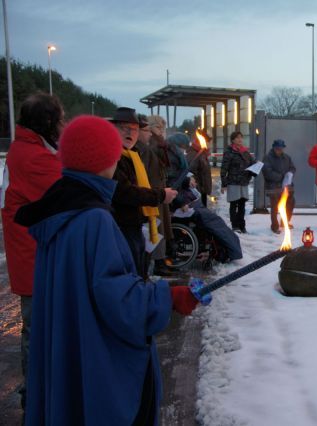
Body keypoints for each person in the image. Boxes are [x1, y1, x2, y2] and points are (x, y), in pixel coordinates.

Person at [14, 115, 205, 425]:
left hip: (70, 351)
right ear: (106, 159)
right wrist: (167, 297)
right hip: (94, 362)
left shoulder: (59, 208)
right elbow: (118, 300)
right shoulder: (95, 219)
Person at [1, 92, 63, 411]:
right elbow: (68, 189)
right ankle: (35, 391)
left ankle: (36, 387)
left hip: (31, 253)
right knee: (37, 328)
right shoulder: (35, 157)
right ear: (48, 122)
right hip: (35, 257)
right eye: (59, 120)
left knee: (36, 326)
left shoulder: (24, 148)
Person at [110, 107, 177, 277]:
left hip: (136, 221)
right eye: (124, 128)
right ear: (114, 128)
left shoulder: (131, 155)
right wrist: (160, 195)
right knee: (132, 273)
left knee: (140, 269)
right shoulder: (114, 157)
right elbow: (125, 192)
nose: (130, 133)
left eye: (134, 128)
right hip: (121, 226)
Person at [136, 114, 174, 276]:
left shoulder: (154, 145)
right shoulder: (150, 146)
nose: (160, 132)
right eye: (158, 127)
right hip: (153, 193)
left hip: (158, 191)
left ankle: (160, 260)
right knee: (156, 228)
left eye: (162, 128)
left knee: (160, 227)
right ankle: (158, 262)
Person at [172, 174, 243, 261]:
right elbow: (173, 183)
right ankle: (229, 249)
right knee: (213, 223)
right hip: (188, 205)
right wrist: (187, 181)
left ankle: (228, 248)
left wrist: (188, 180)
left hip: (192, 203)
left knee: (216, 222)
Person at [220, 131, 256, 233]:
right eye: (237, 138)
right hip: (233, 182)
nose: (240, 139)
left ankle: (242, 225)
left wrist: (257, 165)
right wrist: (224, 184)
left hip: (244, 182)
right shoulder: (229, 152)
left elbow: (252, 164)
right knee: (233, 204)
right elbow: (224, 168)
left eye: (241, 137)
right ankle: (234, 226)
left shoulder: (246, 152)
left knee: (242, 205)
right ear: (233, 140)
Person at [262, 139, 296, 234]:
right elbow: (267, 172)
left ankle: (285, 222)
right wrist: (281, 176)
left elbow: (293, 168)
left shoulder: (287, 157)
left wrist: (290, 173)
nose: (280, 150)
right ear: (274, 148)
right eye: (278, 148)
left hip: (286, 186)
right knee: (275, 206)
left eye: (281, 148)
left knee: (290, 203)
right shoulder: (267, 158)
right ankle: (274, 226)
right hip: (273, 187)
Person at [186, 133, 212, 207]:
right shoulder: (193, 153)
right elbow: (190, 171)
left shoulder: (203, 153)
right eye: (208, 142)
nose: (210, 144)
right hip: (197, 190)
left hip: (202, 190)